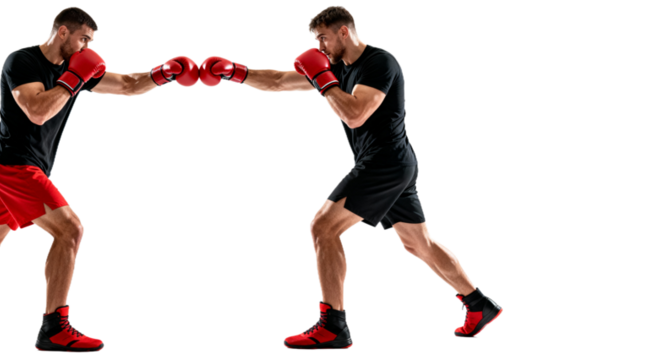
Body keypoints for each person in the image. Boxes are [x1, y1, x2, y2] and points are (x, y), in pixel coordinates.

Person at [199, 5, 504, 348]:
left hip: (383, 163)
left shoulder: (379, 63)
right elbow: (279, 81)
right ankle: (479, 303)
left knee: (323, 227)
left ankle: (334, 325)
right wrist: (237, 73)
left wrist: (325, 81)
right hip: (392, 164)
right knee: (418, 243)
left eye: (323, 38)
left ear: (344, 31)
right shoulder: (337, 67)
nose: (320, 47)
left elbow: (356, 113)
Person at [0, 6, 199, 353]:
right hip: (15, 166)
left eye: (91, 42)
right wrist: (73, 78)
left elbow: (129, 85)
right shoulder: (21, 62)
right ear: (63, 32)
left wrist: (163, 74)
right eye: (84, 39)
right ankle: (54, 327)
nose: (87, 47)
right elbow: (37, 109)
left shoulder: (76, 67)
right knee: (70, 230)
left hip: (20, 168)